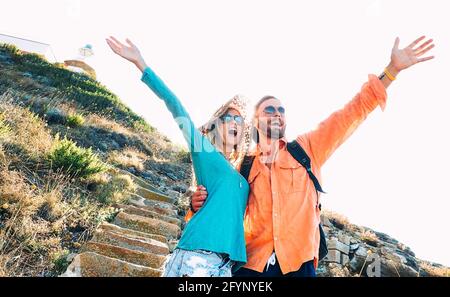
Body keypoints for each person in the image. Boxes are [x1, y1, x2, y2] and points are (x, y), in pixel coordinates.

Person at [190, 36, 435, 276]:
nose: (277, 114)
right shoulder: (244, 166)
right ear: (255, 120)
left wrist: (391, 71)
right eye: (270, 109)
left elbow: (351, 112)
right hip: (251, 266)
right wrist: (195, 205)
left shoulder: (307, 149)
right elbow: (218, 209)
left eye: (281, 110)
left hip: (299, 264)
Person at [106, 36, 252, 277]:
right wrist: (141, 64)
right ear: (217, 125)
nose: (235, 122)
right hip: (198, 257)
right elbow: (176, 107)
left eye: (240, 119)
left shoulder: (243, 170)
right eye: (228, 117)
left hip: (220, 264)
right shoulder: (205, 152)